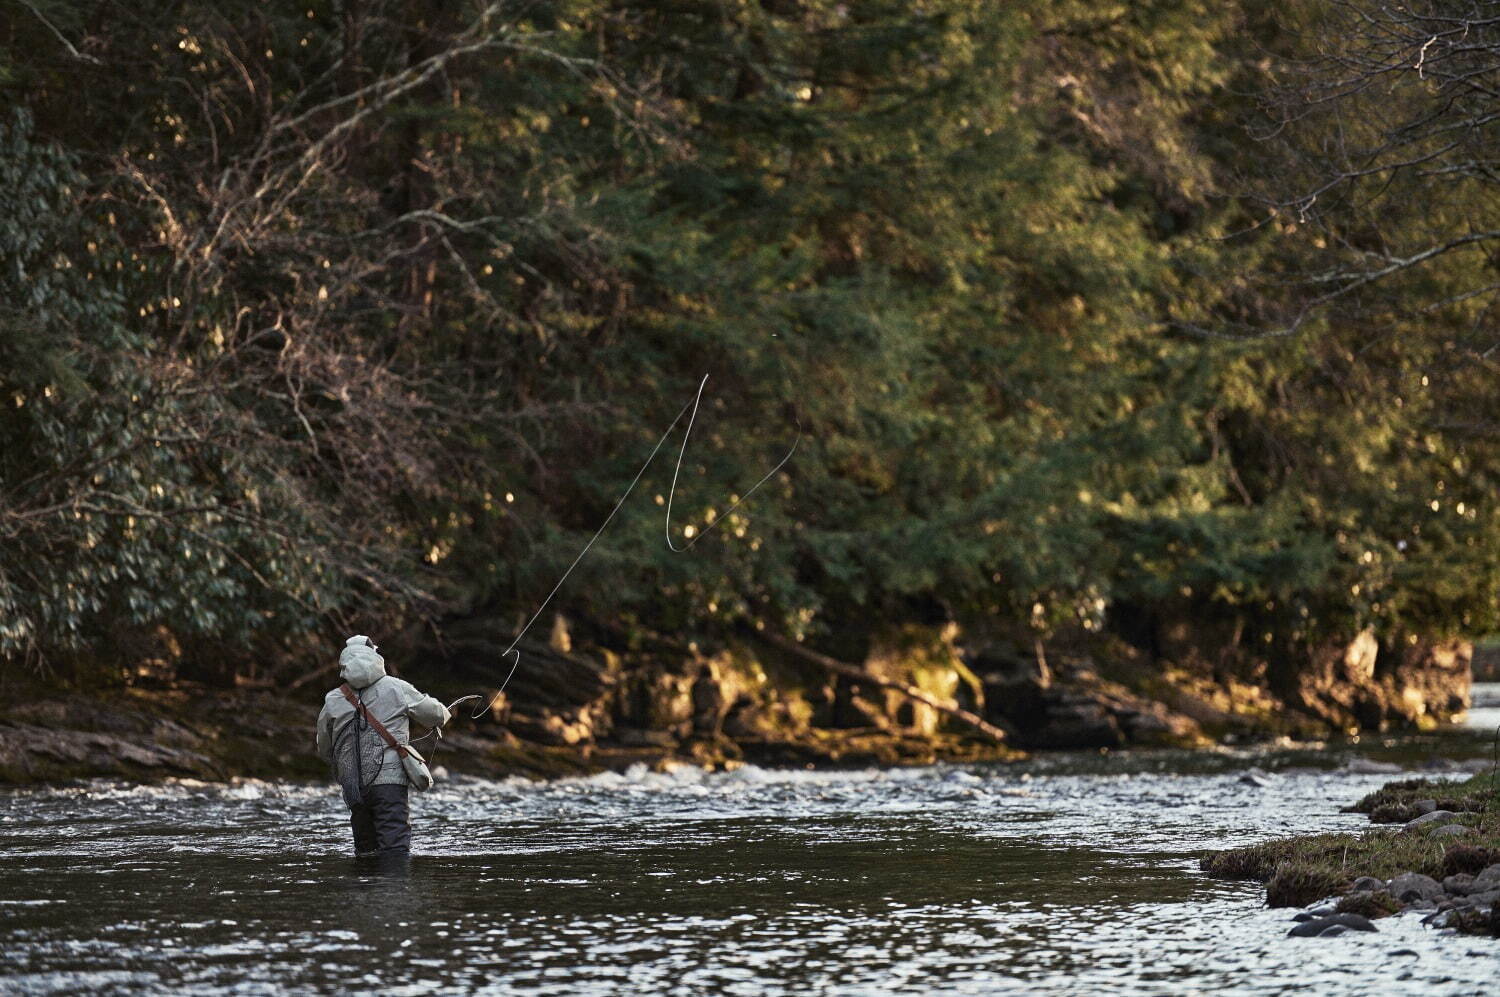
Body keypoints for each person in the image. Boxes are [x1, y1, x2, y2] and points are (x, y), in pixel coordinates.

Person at [316, 635, 449, 858]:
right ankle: (392, 892)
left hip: (354, 787)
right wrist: (445, 712)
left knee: (366, 852)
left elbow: (324, 747)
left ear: (344, 664)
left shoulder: (332, 699)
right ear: (376, 658)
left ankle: (367, 891)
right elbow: (435, 715)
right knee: (395, 848)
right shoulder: (396, 688)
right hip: (389, 784)